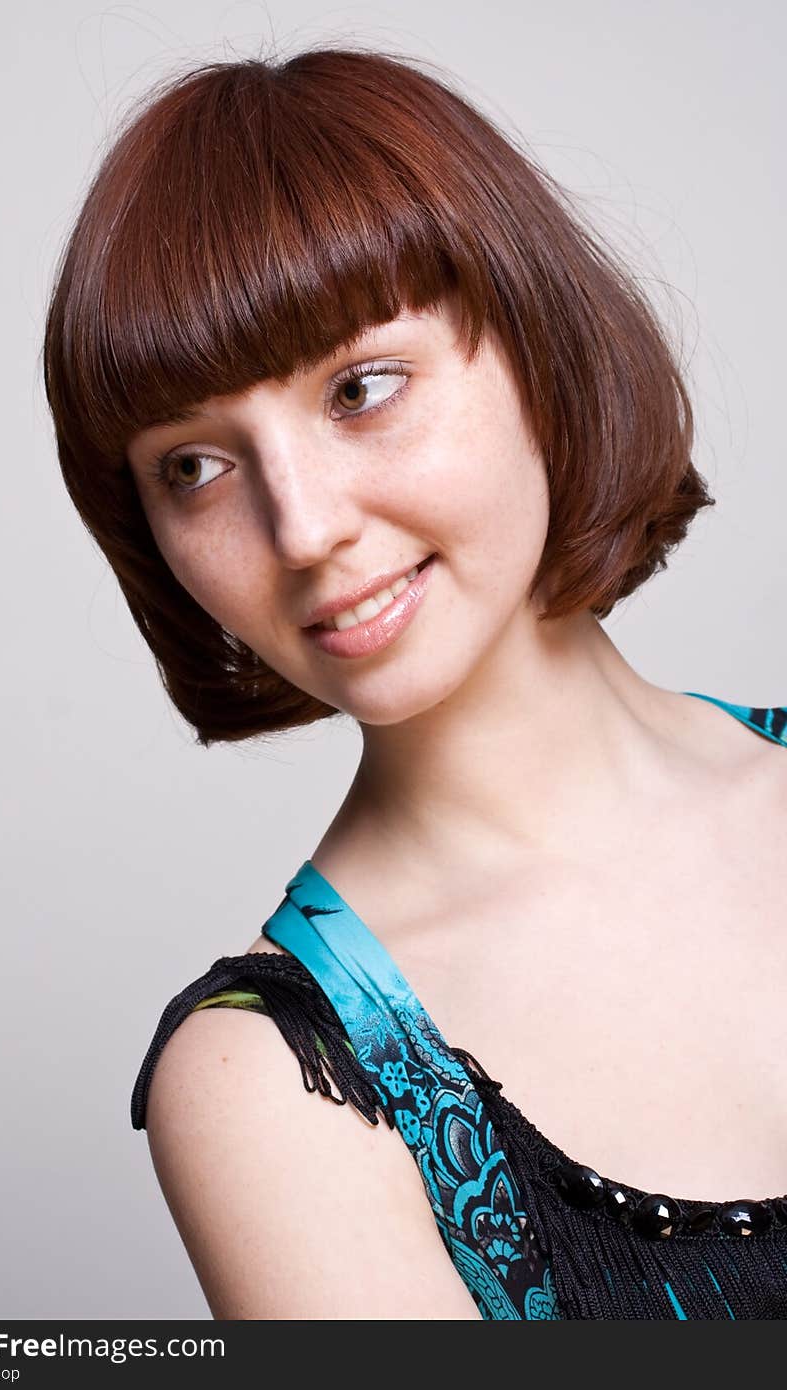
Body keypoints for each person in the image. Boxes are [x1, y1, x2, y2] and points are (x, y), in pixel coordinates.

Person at [43, 46, 787, 1320]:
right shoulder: (274, 1084)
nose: (302, 527)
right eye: (194, 467)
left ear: (537, 341)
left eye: (360, 387)